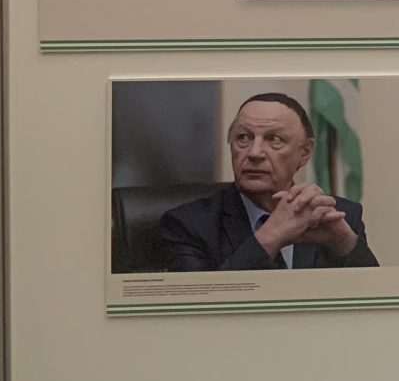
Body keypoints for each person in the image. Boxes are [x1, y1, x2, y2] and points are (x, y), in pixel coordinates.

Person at [157, 92, 378, 272]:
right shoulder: (187, 225)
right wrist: (270, 236)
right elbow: (202, 306)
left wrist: (345, 243)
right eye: (243, 138)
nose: (254, 153)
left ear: (304, 152)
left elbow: (373, 302)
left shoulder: (341, 215)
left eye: (274, 139)